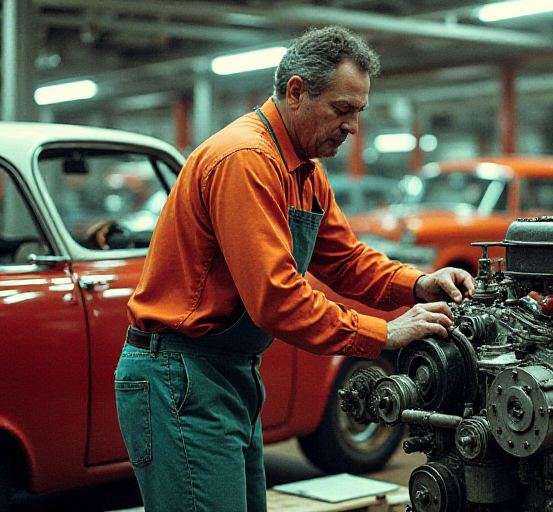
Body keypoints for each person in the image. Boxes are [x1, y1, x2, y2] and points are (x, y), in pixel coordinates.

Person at [115, 26, 474, 512]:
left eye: (358, 113)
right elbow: (275, 299)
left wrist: (418, 284)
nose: (352, 127)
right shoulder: (245, 160)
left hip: (227, 374)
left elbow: (345, 260)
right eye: (342, 110)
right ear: (296, 91)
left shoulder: (304, 170)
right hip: (180, 376)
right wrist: (383, 335)